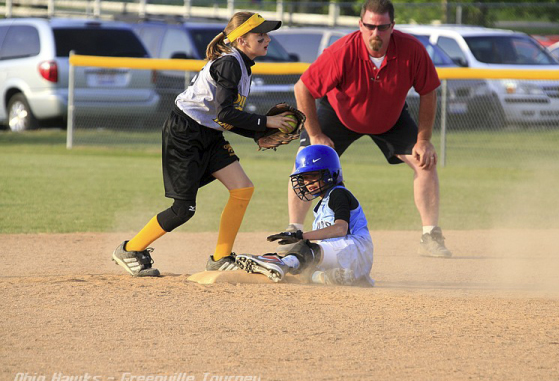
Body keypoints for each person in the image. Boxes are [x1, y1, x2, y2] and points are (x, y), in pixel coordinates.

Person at [112, 12, 296, 277]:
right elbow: (224, 115)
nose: (267, 39)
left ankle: (221, 257)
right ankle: (130, 249)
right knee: (183, 209)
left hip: (208, 134)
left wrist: (257, 134)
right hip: (184, 134)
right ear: (242, 40)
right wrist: (266, 122)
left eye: (267, 34)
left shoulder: (242, 64)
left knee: (243, 188)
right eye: (260, 35)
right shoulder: (231, 64)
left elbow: (223, 118)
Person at [286, 0, 452, 257]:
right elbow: (302, 88)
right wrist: (316, 134)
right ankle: (294, 231)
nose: (376, 33)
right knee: (307, 164)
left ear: (392, 26)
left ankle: (430, 235)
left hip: (390, 116)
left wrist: (424, 139)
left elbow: (429, 91)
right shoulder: (341, 51)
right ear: (360, 24)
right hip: (340, 114)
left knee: (425, 161)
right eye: (370, 26)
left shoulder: (411, 50)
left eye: (383, 27)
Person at [235, 145, 374, 286]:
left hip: (355, 250)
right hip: (342, 256)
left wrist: (301, 236)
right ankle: (330, 277)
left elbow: (340, 229)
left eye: (314, 176)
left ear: (330, 173)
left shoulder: (339, 194)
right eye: (305, 178)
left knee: (306, 250)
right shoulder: (321, 206)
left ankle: (281, 263)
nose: (309, 183)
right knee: (303, 268)